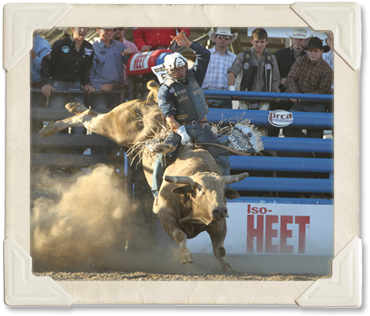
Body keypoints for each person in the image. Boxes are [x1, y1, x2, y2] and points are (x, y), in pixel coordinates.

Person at [151, 32, 261, 204]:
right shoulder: (165, 90)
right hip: (181, 129)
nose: (180, 72)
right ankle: (157, 195)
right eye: (176, 70)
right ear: (169, 71)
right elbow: (170, 118)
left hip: (202, 127)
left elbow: (205, 54)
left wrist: (188, 43)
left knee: (222, 156)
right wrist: (181, 132)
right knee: (163, 155)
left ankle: (223, 190)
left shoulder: (194, 75)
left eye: (182, 68)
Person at [40, 27, 95, 133]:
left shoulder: (88, 47)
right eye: (80, 27)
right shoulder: (59, 44)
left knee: (79, 120)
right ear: (73, 28)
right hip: (58, 85)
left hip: (77, 86)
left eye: (86, 28)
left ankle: (75, 149)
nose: (83, 30)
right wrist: (46, 83)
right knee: (57, 119)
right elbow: (46, 63)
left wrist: (86, 83)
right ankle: (57, 148)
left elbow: (86, 69)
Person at [227, 28, 281, 135]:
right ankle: (244, 151)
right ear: (251, 41)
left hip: (264, 98)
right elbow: (232, 73)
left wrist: (276, 91)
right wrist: (233, 91)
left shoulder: (271, 58)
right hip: (244, 98)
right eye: (256, 42)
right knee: (243, 128)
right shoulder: (243, 56)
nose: (259, 45)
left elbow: (276, 78)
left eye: (262, 42)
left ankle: (259, 151)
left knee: (261, 129)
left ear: (266, 42)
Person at [283, 36, 333, 138]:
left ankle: (311, 151)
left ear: (321, 51)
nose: (313, 53)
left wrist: (300, 96)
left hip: (316, 105)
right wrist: (295, 93)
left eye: (315, 51)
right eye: (310, 51)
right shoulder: (301, 61)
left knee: (315, 130)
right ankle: (307, 151)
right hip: (299, 103)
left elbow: (323, 92)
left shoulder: (327, 70)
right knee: (287, 127)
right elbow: (291, 78)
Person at [89, 28, 133, 111]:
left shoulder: (120, 46)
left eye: (111, 30)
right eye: (106, 30)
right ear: (98, 30)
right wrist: (99, 85)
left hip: (118, 90)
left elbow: (130, 65)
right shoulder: (93, 48)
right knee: (101, 116)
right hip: (100, 92)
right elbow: (89, 72)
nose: (110, 33)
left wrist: (129, 55)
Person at [201, 27, 238, 109]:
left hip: (226, 97)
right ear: (215, 38)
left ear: (230, 40)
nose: (223, 39)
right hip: (206, 96)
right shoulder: (205, 55)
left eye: (226, 37)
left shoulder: (235, 58)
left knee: (226, 121)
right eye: (220, 37)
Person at [31, 31, 50, 132]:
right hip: (20, 86)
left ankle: (39, 146)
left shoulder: (44, 44)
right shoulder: (17, 41)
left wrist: (31, 54)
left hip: (37, 85)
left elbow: (44, 67)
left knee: (36, 118)